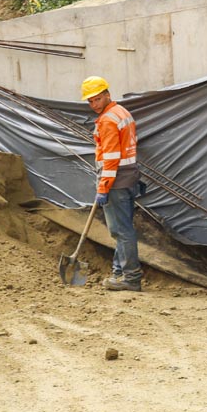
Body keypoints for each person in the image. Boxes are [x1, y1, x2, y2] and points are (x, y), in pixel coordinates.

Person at [82, 76, 142, 292]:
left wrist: (103, 187)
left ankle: (131, 277)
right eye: (90, 101)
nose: (94, 105)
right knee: (121, 229)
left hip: (116, 181)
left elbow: (111, 158)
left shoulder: (108, 120)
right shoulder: (122, 112)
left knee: (121, 231)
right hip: (128, 177)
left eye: (97, 99)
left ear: (107, 94)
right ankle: (119, 272)